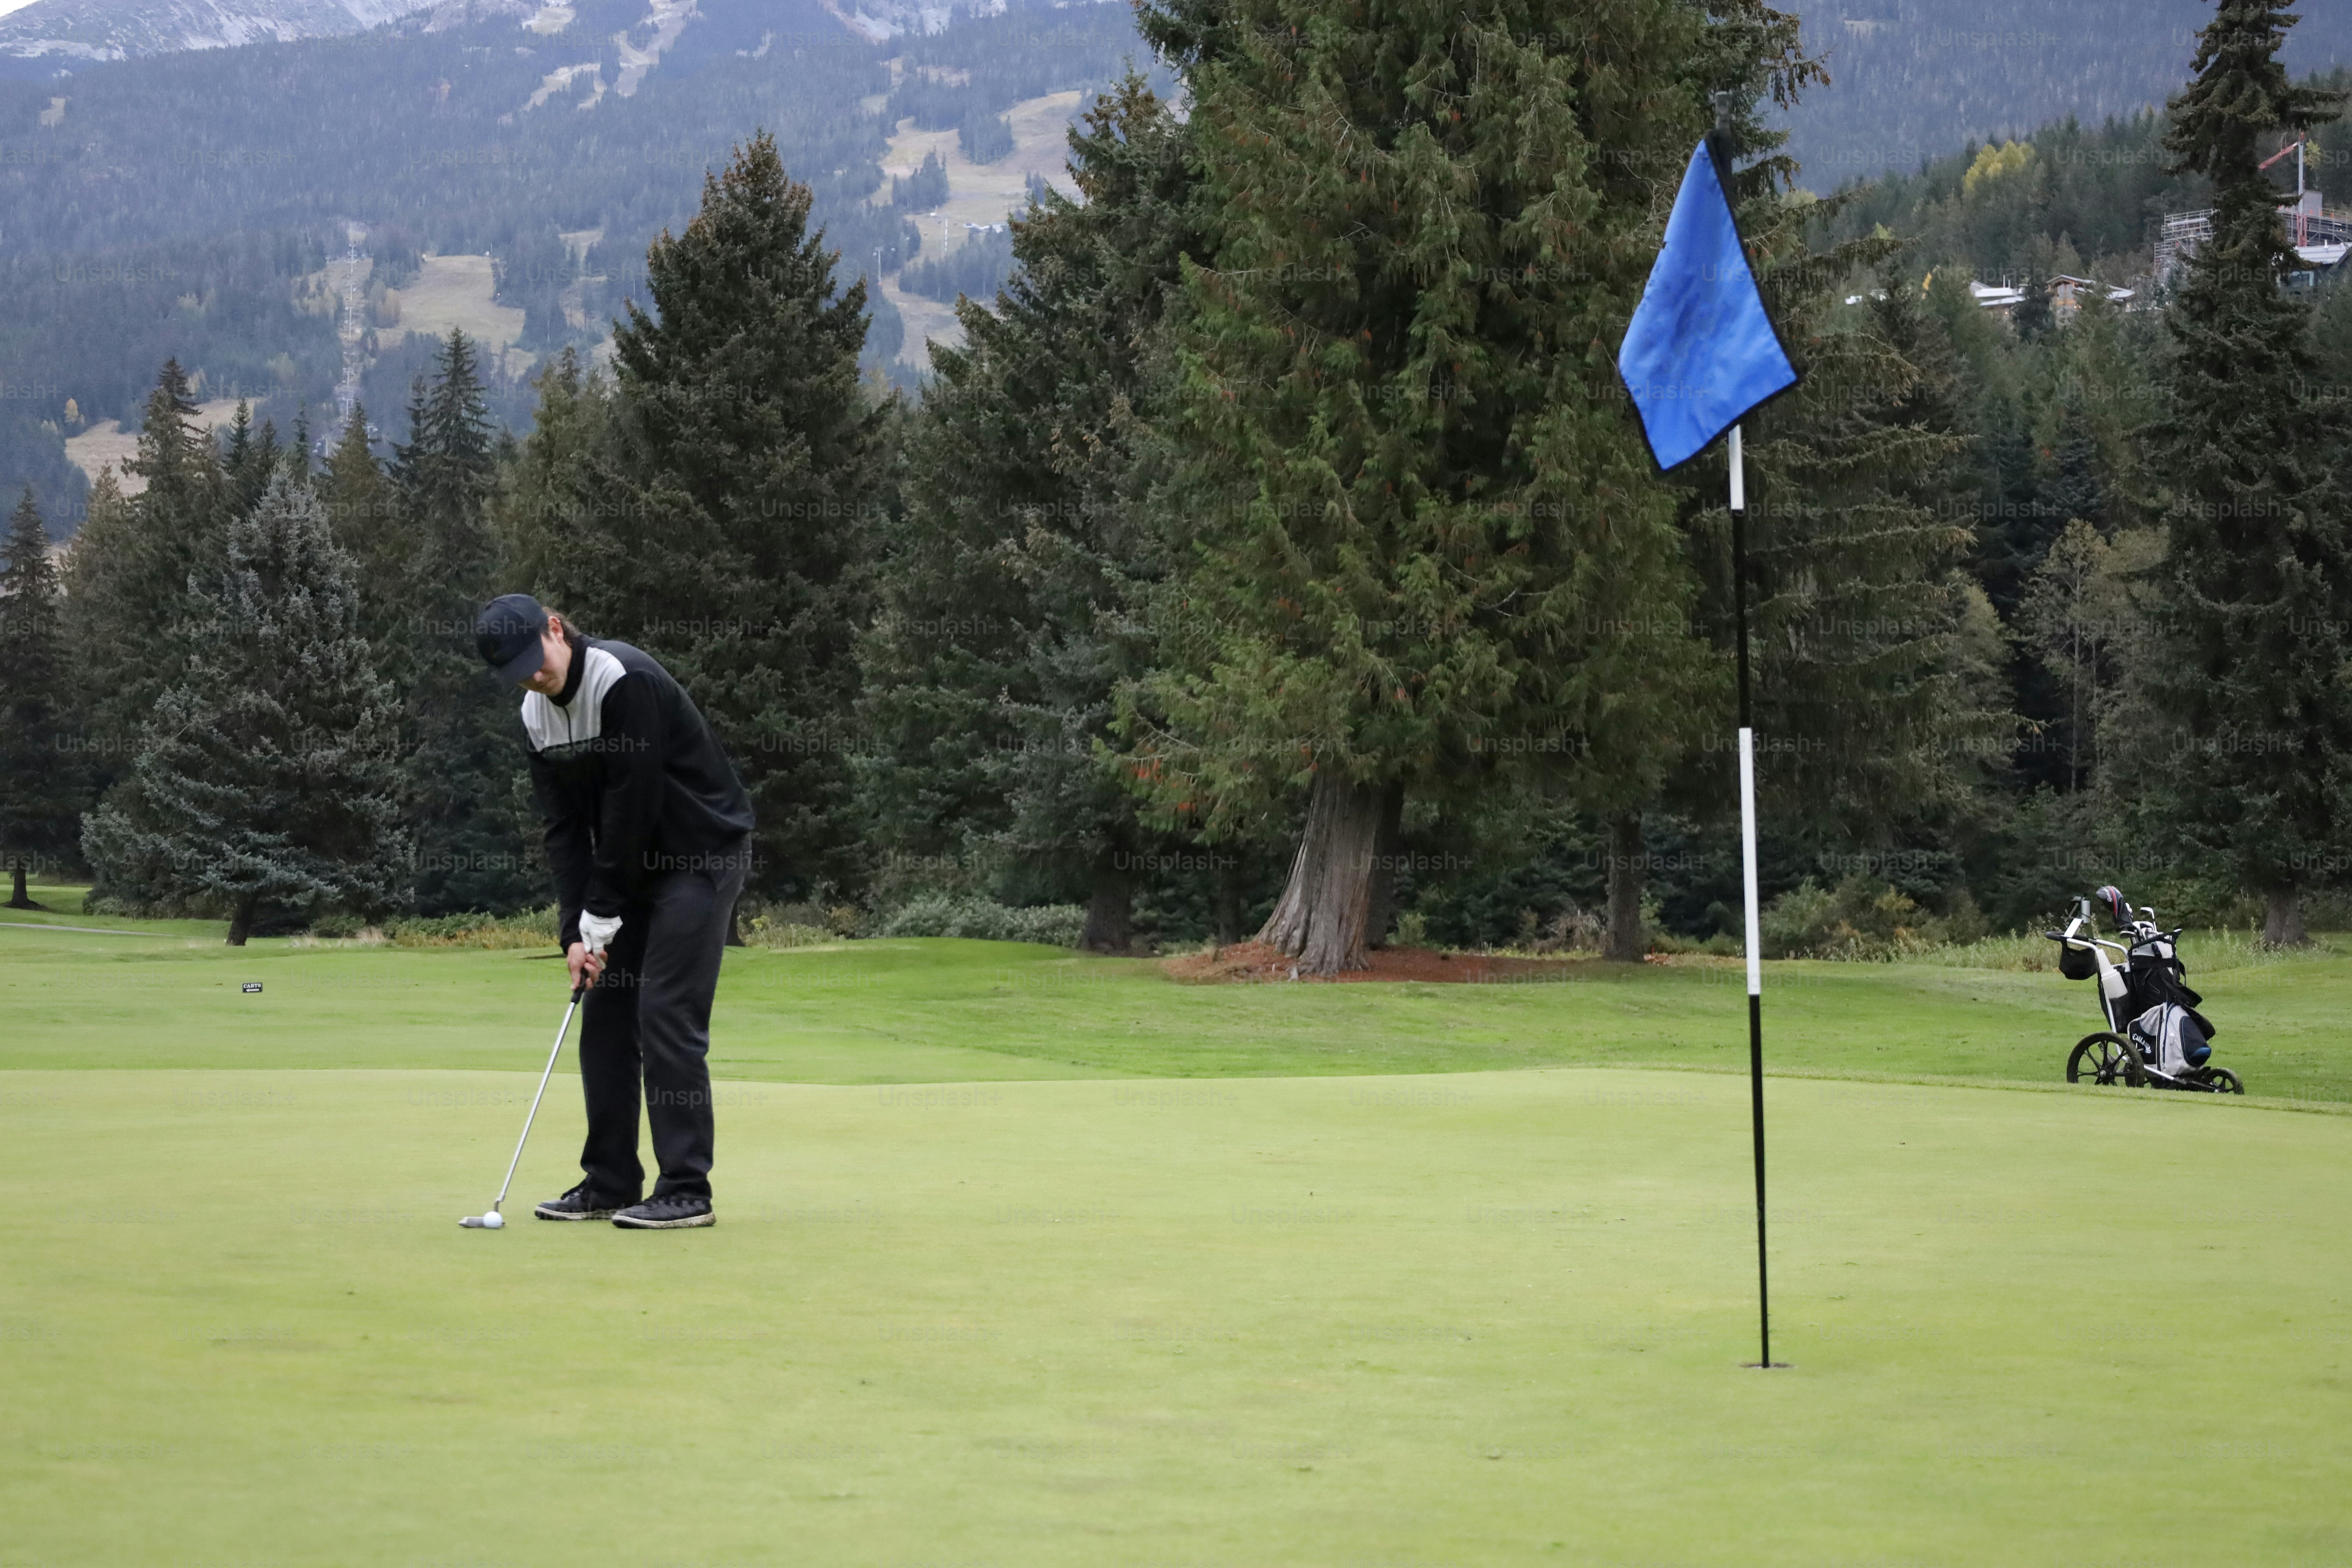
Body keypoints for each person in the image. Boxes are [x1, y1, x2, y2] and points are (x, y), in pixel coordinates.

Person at [474, 593, 755, 1229]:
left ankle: (686, 1188)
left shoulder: (622, 680)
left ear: (555, 628)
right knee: (602, 1013)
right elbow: (565, 831)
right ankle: (611, 1180)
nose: (531, 676)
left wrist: (602, 913)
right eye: (515, 671)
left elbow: (634, 805)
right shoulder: (535, 717)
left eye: (533, 659)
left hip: (699, 854)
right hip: (630, 867)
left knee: (664, 1009)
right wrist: (575, 930)